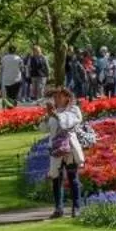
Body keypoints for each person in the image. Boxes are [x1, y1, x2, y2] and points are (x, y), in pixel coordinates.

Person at [38, 87, 87, 219]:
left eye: (59, 97)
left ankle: (76, 208)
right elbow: (43, 129)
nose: (56, 99)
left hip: (69, 149)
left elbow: (69, 123)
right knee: (56, 179)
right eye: (55, 97)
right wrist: (47, 117)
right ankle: (58, 209)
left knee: (73, 179)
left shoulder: (74, 110)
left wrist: (54, 115)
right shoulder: (53, 112)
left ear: (67, 98)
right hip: (55, 149)